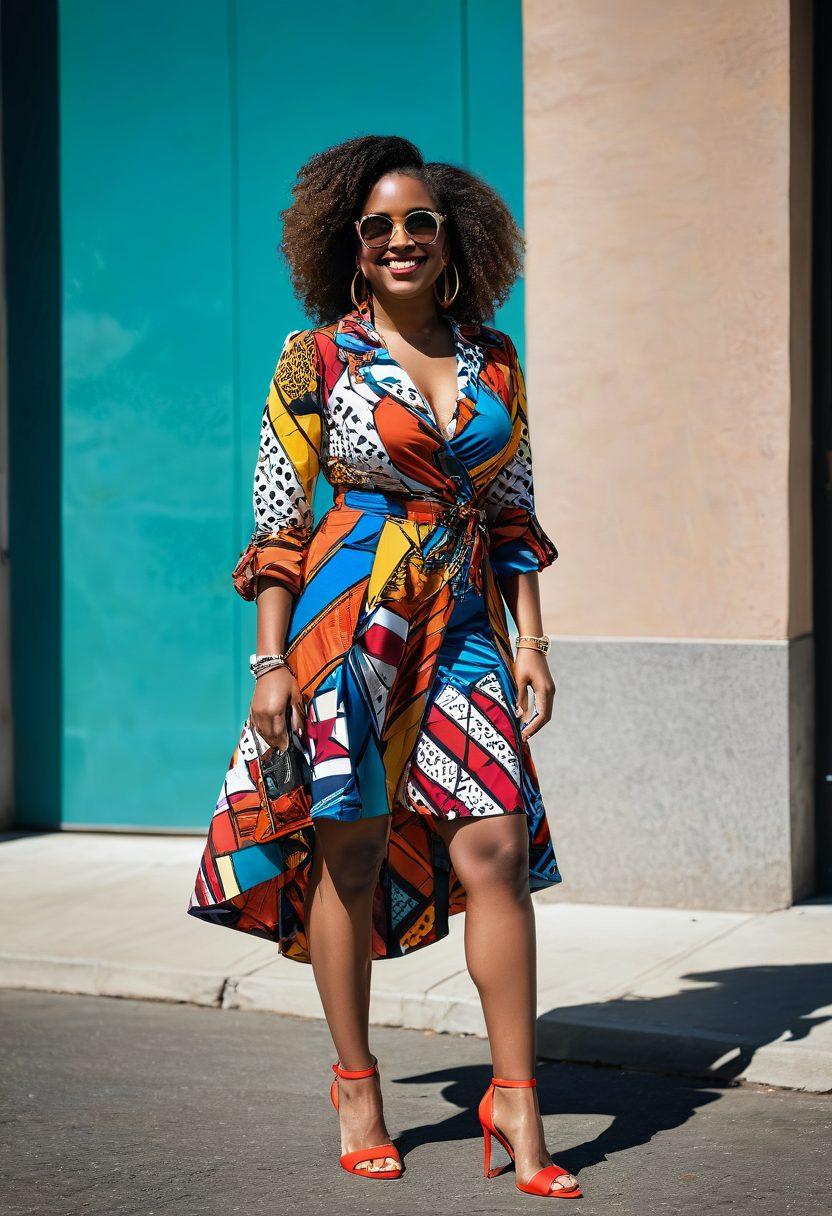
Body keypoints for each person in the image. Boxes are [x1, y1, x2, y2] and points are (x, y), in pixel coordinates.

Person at [187, 135, 580, 1199]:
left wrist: (530, 641)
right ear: (352, 251)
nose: (399, 239)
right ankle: (356, 1084)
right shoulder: (311, 358)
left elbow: (511, 509)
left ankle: (515, 1097)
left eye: (418, 222)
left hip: (460, 626)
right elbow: (278, 521)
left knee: (493, 847)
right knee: (348, 856)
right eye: (378, 228)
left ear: (453, 241)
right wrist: (272, 663)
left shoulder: (495, 358)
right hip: (346, 622)